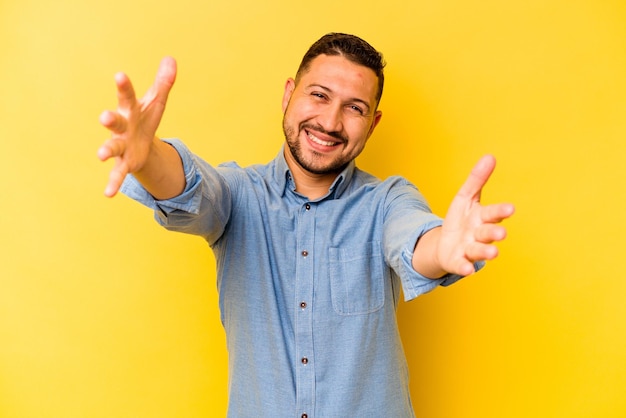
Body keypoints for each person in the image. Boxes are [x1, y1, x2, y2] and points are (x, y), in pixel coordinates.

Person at [98, 33, 514, 418]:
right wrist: (148, 155)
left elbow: (413, 237)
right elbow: (192, 190)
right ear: (288, 95)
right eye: (319, 95)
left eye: (355, 108)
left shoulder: (387, 200)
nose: (331, 122)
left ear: (373, 123)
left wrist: (442, 249)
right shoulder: (240, 195)